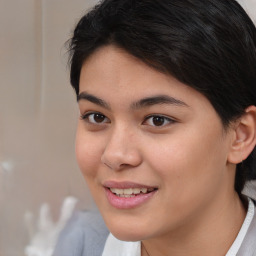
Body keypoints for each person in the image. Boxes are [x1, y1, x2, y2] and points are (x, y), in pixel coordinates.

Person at [54, 0, 256, 255]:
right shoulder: (81, 242)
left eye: (157, 120)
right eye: (97, 117)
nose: (115, 155)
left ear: (241, 135)